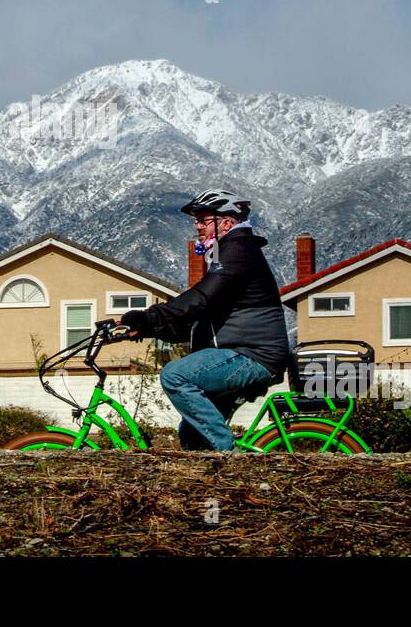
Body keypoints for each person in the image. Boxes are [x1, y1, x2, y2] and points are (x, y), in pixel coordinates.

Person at [119, 189, 291, 451]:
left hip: (253, 354)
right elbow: (201, 317)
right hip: (241, 351)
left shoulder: (238, 250)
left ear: (227, 222)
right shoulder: (227, 252)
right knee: (193, 435)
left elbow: (200, 298)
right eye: (196, 221)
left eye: (203, 220)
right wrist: (150, 328)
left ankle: (229, 458)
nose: (197, 226)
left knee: (175, 376)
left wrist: (149, 316)